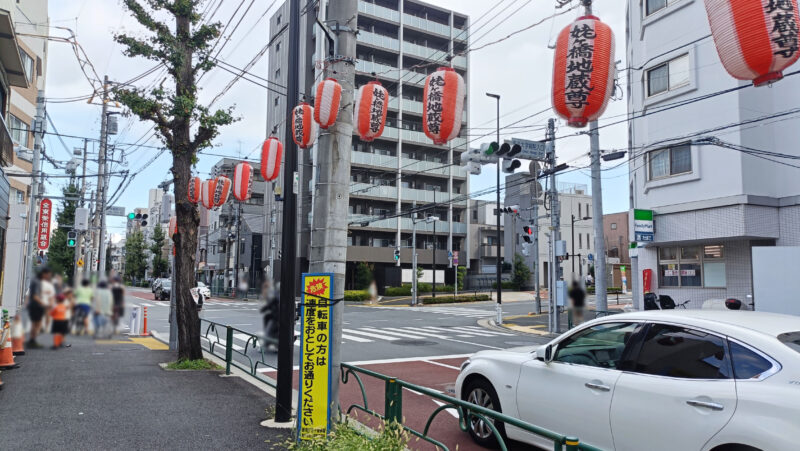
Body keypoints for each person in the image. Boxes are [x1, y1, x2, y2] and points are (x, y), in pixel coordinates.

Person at [26, 267, 51, 348]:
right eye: (48, 275)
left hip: (33, 306)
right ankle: (33, 340)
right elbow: (35, 296)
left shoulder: (36, 281)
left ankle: (32, 340)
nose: (48, 277)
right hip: (36, 306)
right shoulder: (37, 282)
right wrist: (43, 304)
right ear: (44, 274)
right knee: (38, 324)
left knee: (35, 323)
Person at [259, 279, 279, 351]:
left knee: (268, 331)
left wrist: (263, 310)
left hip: (276, 319)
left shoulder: (276, 297)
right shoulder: (288, 297)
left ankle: (264, 346)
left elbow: (269, 305)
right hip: (285, 319)